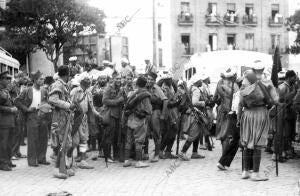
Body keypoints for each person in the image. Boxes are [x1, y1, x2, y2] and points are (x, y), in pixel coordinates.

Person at [238, 62, 278, 181]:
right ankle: (255, 173)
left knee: (247, 142)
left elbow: (240, 102)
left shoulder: (245, 81)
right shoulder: (267, 82)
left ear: (252, 70)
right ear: (263, 69)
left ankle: (245, 171)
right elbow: (275, 101)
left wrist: (239, 118)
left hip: (247, 114)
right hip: (261, 114)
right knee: (258, 144)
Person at [15, 71, 50, 167]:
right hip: (32, 115)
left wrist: (46, 109)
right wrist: (27, 109)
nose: (42, 80)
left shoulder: (44, 90)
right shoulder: (27, 90)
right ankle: (32, 160)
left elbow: (47, 101)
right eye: (40, 79)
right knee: (32, 138)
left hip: (42, 115)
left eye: (43, 79)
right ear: (35, 80)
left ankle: (42, 158)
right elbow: (17, 101)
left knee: (44, 137)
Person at [48, 65, 76, 179]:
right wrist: (68, 105)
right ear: (67, 74)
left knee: (66, 142)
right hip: (58, 118)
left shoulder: (64, 85)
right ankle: (57, 168)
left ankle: (63, 166)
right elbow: (52, 99)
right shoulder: (58, 84)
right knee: (60, 143)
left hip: (65, 118)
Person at [123, 76, 152, 168]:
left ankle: (126, 160)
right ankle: (138, 162)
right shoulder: (145, 95)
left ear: (137, 84)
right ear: (145, 84)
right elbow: (148, 110)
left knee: (128, 141)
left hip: (130, 119)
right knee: (139, 141)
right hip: (139, 121)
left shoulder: (133, 93)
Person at [70, 76, 99, 169]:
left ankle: (82, 160)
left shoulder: (89, 93)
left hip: (84, 118)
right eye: (86, 79)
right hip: (75, 117)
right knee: (74, 141)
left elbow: (92, 107)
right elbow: (70, 104)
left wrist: (98, 114)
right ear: (81, 81)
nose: (88, 81)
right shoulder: (75, 91)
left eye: (89, 80)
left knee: (84, 139)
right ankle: (68, 158)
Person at [178, 74, 206, 160]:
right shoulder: (196, 90)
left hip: (192, 114)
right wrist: (203, 103)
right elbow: (194, 102)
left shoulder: (190, 88)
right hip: (195, 114)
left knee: (197, 134)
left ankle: (194, 153)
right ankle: (183, 152)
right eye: (200, 80)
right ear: (197, 82)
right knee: (193, 134)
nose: (202, 81)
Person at [272, 70, 297, 162]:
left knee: (286, 134)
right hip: (281, 111)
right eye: (294, 77)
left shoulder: (292, 86)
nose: (295, 79)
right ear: (289, 77)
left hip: (289, 113)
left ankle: (283, 152)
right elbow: (279, 100)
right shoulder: (282, 87)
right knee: (280, 133)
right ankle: (276, 153)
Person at [145, 71, 168, 162]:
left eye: (151, 79)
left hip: (155, 112)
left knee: (156, 133)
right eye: (148, 79)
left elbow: (165, 101)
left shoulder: (157, 88)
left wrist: (163, 114)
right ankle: (146, 154)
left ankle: (156, 155)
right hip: (147, 113)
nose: (149, 81)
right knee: (145, 133)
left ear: (154, 81)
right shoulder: (145, 87)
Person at [102, 73, 125, 162]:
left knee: (116, 136)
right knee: (108, 136)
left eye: (120, 79)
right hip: (110, 114)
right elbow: (104, 100)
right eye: (117, 79)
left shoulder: (121, 89)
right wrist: (117, 101)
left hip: (118, 115)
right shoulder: (108, 88)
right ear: (113, 79)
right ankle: (107, 156)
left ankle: (116, 155)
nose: (119, 80)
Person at [0, 71, 18, 171]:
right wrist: (10, 109)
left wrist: (13, 107)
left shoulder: (5, 90)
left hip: (9, 120)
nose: (8, 80)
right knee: (3, 143)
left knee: (9, 142)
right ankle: (3, 163)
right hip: (3, 121)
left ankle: (8, 160)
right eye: (7, 78)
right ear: (1, 79)